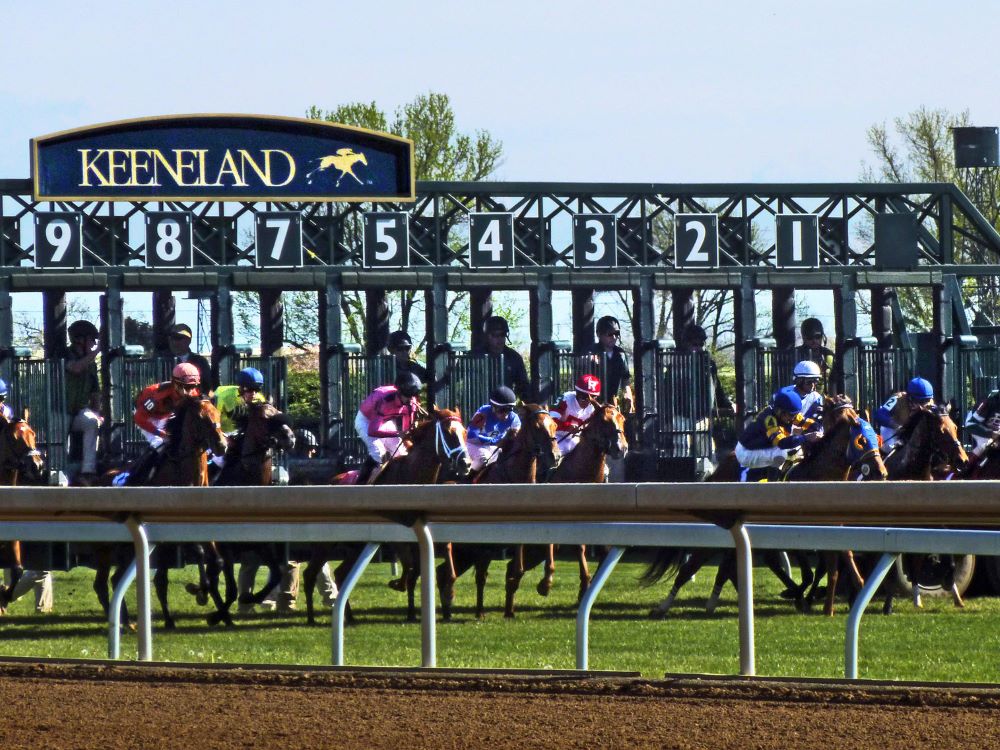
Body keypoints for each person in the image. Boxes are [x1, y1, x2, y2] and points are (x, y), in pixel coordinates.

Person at [734, 387, 821, 482]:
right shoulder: (769, 420)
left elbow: (808, 423)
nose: (794, 418)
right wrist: (806, 437)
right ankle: (773, 485)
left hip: (761, 447)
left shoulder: (788, 413)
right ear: (780, 412)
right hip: (746, 452)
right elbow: (782, 443)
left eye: (796, 414)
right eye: (792, 415)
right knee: (781, 453)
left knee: (796, 450)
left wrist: (818, 428)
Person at [353, 370, 422, 483]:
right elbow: (372, 430)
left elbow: (406, 430)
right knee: (378, 453)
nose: (411, 399)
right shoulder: (385, 400)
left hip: (384, 420)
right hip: (366, 421)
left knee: (401, 452)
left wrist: (407, 435)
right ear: (399, 392)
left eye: (412, 396)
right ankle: (360, 485)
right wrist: (397, 433)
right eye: (408, 396)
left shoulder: (411, 402)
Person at [65, 320, 103, 486]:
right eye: (92, 340)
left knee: (92, 422)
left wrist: (98, 413)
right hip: (59, 410)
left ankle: (88, 471)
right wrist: (97, 351)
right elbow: (76, 368)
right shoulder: (64, 353)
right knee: (59, 434)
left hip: (79, 410)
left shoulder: (91, 364)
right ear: (79, 339)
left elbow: (95, 393)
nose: (94, 344)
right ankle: (60, 472)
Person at [133, 362, 203, 450]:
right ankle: (150, 462)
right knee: (159, 444)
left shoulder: (193, 393)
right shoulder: (158, 396)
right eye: (187, 387)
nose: (190, 391)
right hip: (145, 416)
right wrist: (160, 433)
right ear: (176, 384)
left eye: (193, 386)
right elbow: (138, 418)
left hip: (164, 414)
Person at [471, 316, 530, 401]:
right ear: (487, 336)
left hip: (504, 408)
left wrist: (525, 406)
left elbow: (523, 386)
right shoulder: (474, 356)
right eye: (495, 335)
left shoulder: (514, 357)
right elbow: (456, 376)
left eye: (502, 334)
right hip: (478, 407)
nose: (499, 338)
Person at [583, 316, 634, 412]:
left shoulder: (621, 354)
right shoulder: (591, 352)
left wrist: (628, 394)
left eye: (616, 333)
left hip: (614, 403)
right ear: (599, 334)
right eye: (610, 334)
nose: (614, 337)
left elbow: (625, 379)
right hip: (595, 404)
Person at [466, 385, 521, 472]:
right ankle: (465, 482)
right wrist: (494, 441)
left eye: (509, 410)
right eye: (502, 410)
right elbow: (471, 436)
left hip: (494, 448)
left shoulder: (514, 418)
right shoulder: (483, 412)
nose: (506, 416)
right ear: (493, 407)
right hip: (474, 445)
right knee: (483, 458)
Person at [873, 376, 934, 453]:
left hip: (914, 433)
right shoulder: (897, 398)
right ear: (909, 397)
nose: (922, 405)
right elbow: (879, 414)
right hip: (895, 431)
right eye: (919, 401)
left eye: (925, 401)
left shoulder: (931, 404)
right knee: (888, 439)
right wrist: (896, 425)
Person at [550, 374, 601, 456]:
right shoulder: (566, 399)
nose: (587, 402)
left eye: (592, 397)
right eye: (584, 397)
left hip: (574, 440)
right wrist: (567, 427)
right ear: (577, 393)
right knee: (554, 455)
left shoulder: (593, 408)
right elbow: (550, 422)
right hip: (556, 437)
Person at [167, 323, 213, 395]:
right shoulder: (164, 362)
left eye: (178, 338)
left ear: (188, 340)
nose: (174, 342)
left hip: (194, 402)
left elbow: (207, 386)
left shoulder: (201, 361)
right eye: (172, 338)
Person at [795, 318, 836, 390]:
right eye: (810, 337)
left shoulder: (828, 355)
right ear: (803, 337)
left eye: (817, 337)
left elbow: (834, 381)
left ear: (822, 336)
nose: (814, 341)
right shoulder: (796, 354)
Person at [965, 389, 1000, 459]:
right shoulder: (990, 400)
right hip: (975, 426)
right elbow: (971, 425)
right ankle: (966, 467)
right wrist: (991, 434)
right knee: (986, 443)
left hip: (996, 431)